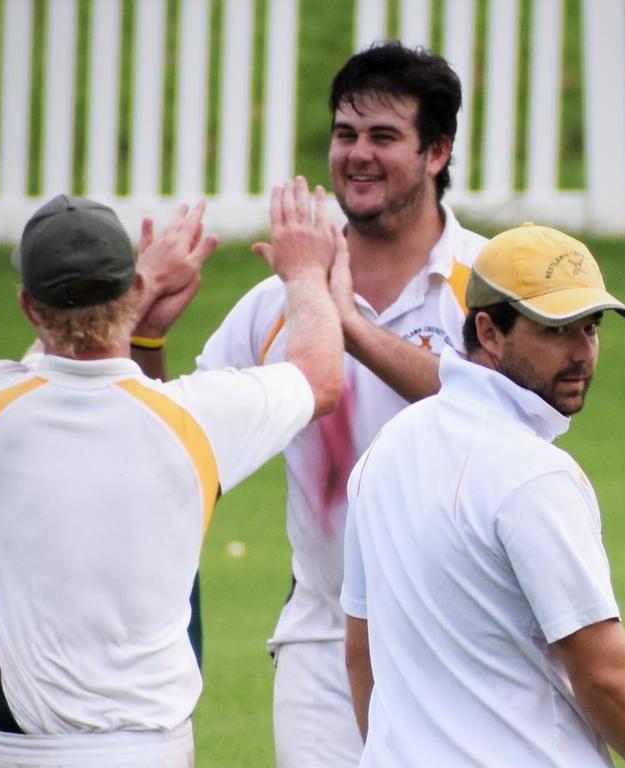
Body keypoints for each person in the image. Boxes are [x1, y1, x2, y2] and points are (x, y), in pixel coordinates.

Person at [0, 182, 344, 768]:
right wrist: (306, 275)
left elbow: (61, 351)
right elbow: (320, 378)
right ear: (131, 290)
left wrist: (144, 289)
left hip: (16, 752)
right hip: (148, 750)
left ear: (28, 306)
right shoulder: (197, 419)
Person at [190, 41, 489, 766]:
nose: (357, 154)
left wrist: (346, 327)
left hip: (466, 634)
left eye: (385, 136)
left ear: (437, 152)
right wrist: (145, 332)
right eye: (346, 134)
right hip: (323, 639)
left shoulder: (487, 281)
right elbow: (179, 438)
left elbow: (508, 410)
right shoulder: (278, 301)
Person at [341, 223, 625, 768]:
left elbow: (361, 653)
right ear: (490, 331)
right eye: (556, 331)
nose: (581, 353)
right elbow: (604, 672)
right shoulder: (534, 476)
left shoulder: (386, 448)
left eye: (590, 328)